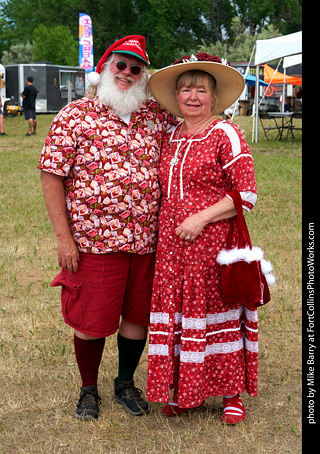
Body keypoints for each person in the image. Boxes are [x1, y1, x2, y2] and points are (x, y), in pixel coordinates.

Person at [37, 35, 177, 421]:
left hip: (147, 242)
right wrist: (64, 238)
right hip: (95, 242)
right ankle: (88, 389)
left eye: (136, 68)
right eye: (121, 65)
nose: (127, 74)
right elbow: (52, 176)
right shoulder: (75, 116)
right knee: (92, 321)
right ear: (105, 68)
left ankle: (125, 383)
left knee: (137, 316)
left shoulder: (158, 117)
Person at [146, 53, 258, 424]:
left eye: (201, 90)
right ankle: (185, 390)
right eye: (185, 90)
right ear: (176, 96)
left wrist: (200, 218)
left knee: (217, 313)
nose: (192, 97)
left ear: (213, 96)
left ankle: (231, 395)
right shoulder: (171, 136)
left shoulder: (225, 132)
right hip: (172, 250)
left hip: (212, 244)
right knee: (179, 316)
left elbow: (247, 194)